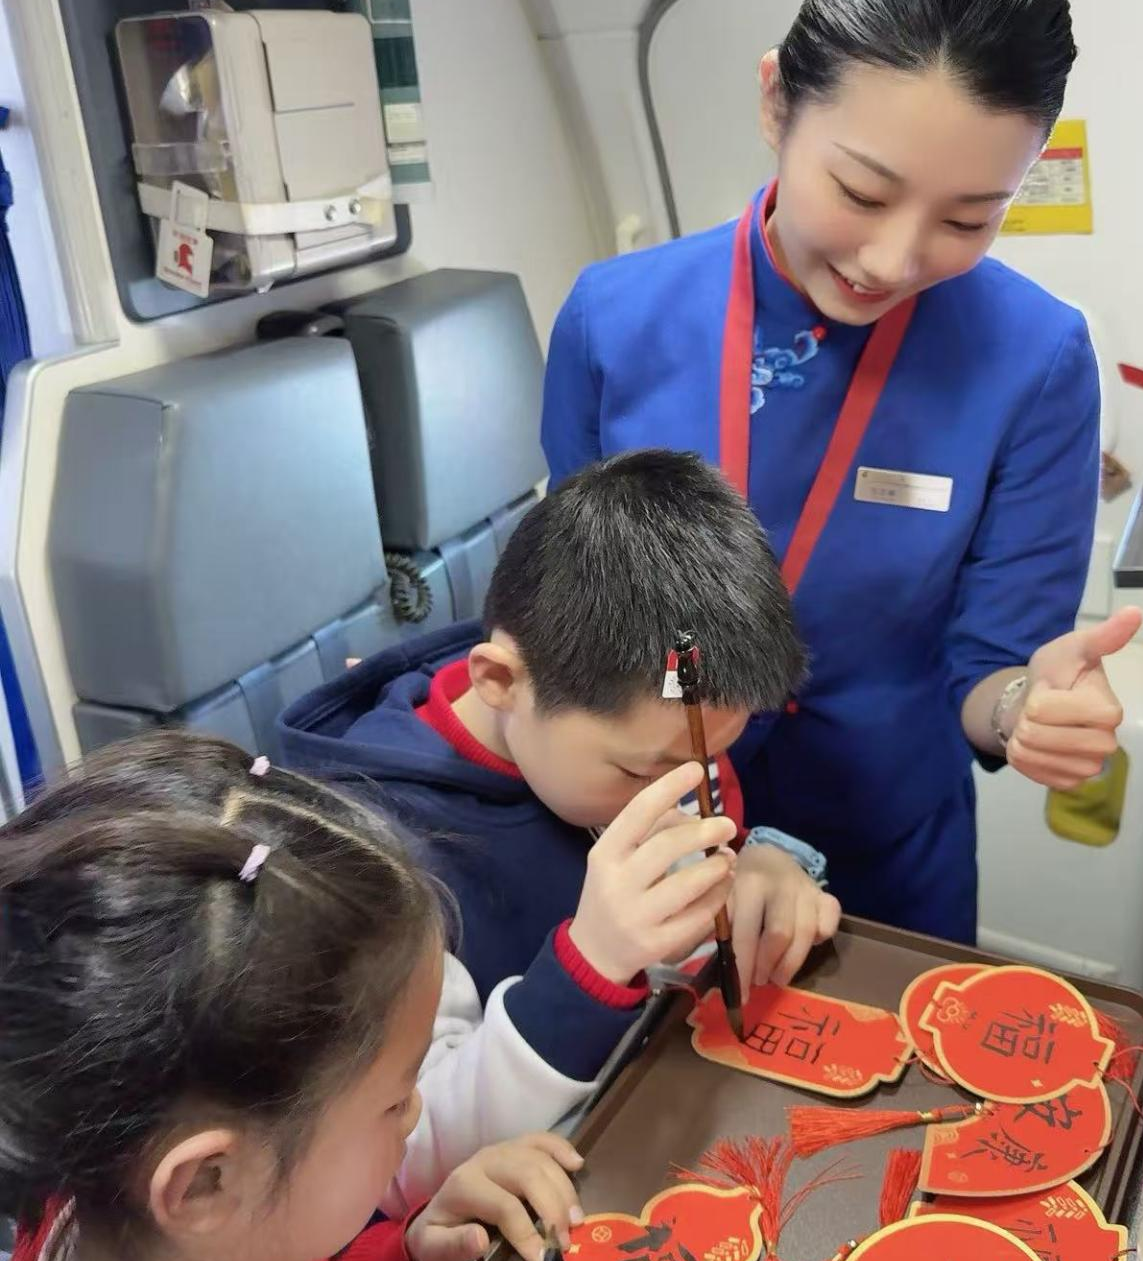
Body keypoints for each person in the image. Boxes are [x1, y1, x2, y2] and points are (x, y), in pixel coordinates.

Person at [542, 0, 1141, 945]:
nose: (892, 261)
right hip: (655, 839)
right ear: (777, 103)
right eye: (861, 192)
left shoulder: (1036, 360)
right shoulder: (615, 318)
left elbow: (991, 665)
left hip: (885, 857)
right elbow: (575, 619)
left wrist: (1024, 711)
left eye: (968, 218)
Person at [0, 731, 647, 1261]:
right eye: (396, 1099)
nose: (417, 1111)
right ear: (205, 1182)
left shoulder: (149, 1208)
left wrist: (406, 1258)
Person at [278, 449, 839, 1197]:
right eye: (642, 773)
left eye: (707, 763)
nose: (680, 793)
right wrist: (590, 968)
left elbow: (695, 844)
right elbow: (402, 1162)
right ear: (499, 680)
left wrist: (763, 864)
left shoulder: (640, 720)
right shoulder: (373, 863)